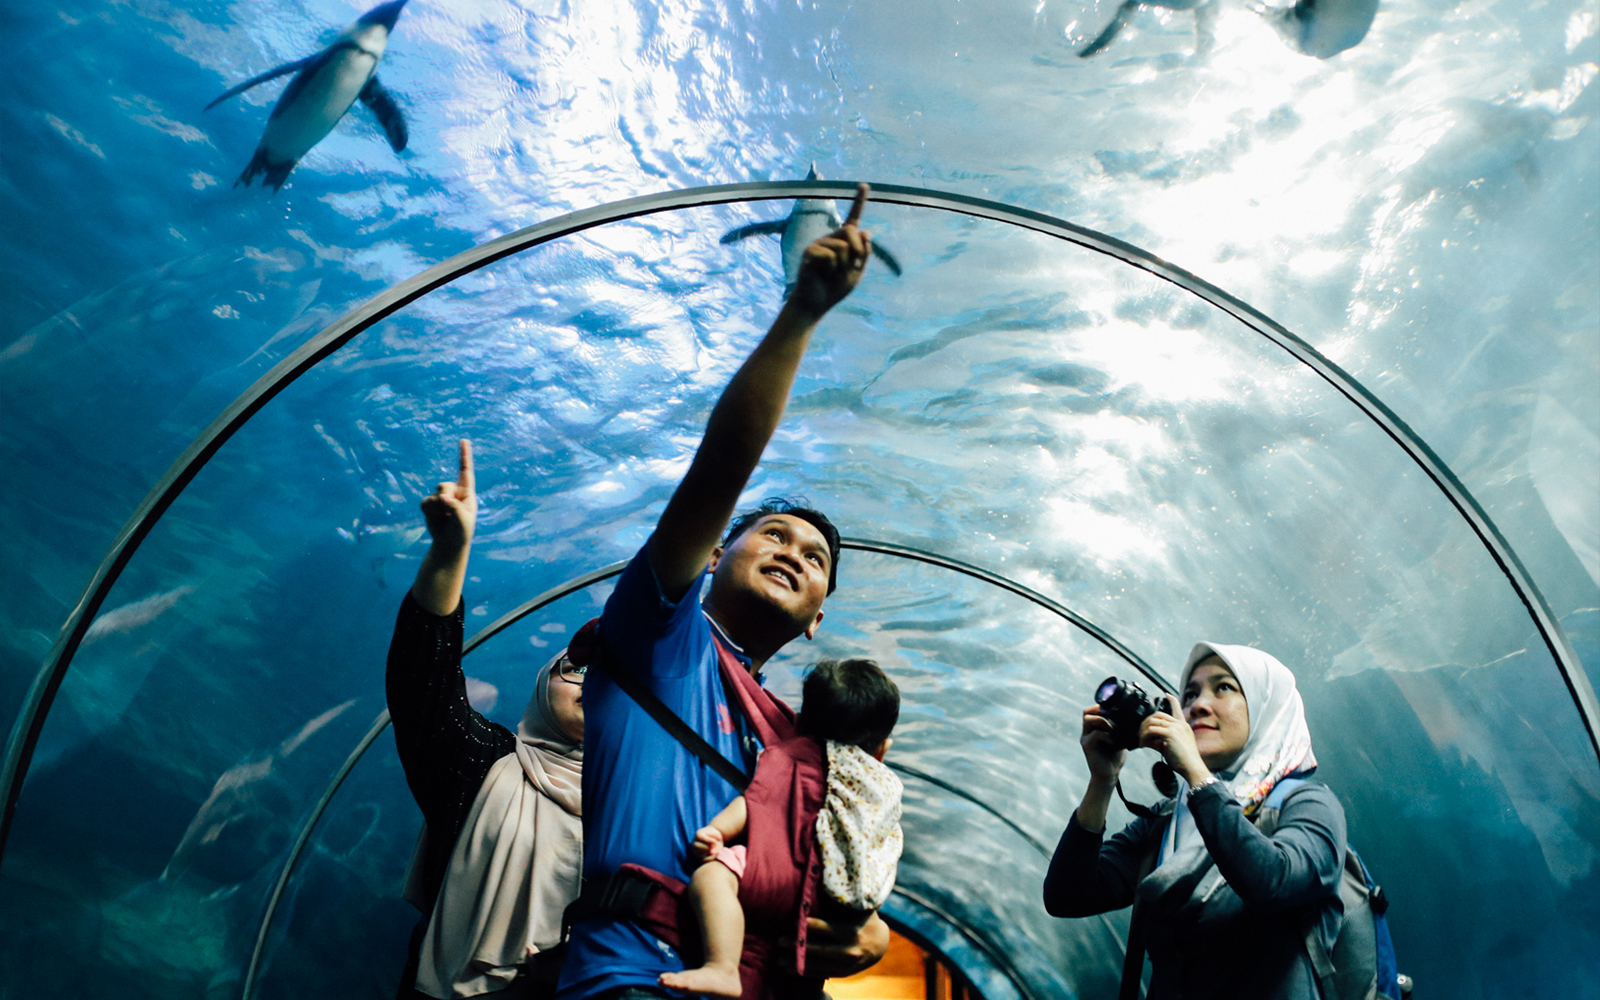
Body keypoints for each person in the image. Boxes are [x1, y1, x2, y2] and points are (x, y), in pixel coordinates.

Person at [557, 184, 890, 1000]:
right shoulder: (659, 634)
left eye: (815, 560)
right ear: (712, 556)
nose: (792, 552)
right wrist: (802, 315)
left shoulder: (798, 735)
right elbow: (723, 463)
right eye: (771, 533)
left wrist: (867, 932)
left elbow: (835, 860)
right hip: (637, 977)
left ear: (818, 620)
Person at [388, 439, 587, 1000]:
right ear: (542, 687)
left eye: (609, 679)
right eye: (573, 670)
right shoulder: (484, 762)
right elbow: (421, 686)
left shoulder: (634, 802)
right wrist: (451, 551)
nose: (590, 684)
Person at [1043, 643, 1347, 1000]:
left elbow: (1272, 882)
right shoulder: (1167, 822)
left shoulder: (1307, 803)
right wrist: (1102, 781)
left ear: (1269, 707)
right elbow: (1067, 896)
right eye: (1190, 694)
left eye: (1224, 687)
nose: (1198, 705)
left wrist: (1196, 774)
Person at [659, 658, 904, 1000]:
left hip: (775, 876)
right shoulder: (883, 787)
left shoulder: (794, 754)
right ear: (882, 750)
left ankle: (722, 967)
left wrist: (718, 831)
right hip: (834, 904)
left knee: (712, 878)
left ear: (800, 723)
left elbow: (757, 802)